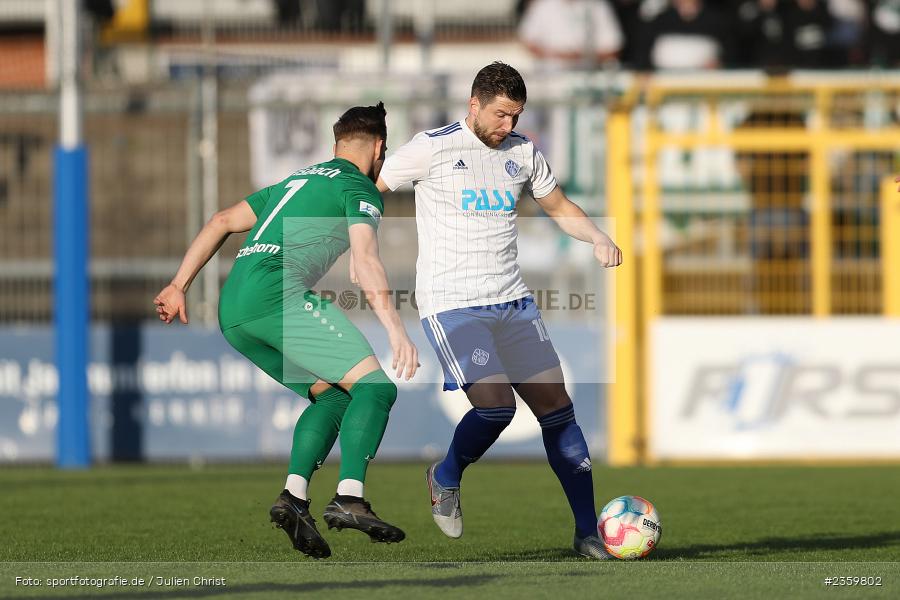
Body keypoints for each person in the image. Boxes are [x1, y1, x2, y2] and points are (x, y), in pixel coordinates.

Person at [375, 62, 622, 559]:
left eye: (515, 116)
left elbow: (558, 206)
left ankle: (585, 533)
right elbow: (369, 185)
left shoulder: (523, 153)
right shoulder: (434, 147)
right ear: (474, 104)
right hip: (453, 305)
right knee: (495, 407)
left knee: (558, 410)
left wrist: (597, 235)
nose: (508, 126)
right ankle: (444, 475)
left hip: (513, 302)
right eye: (501, 115)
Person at [153, 103, 418, 559]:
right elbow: (368, 260)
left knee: (335, 396)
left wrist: (179, 285)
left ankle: (294, 498)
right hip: (277, 297)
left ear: (336, 145)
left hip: (234, 310)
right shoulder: (359, 187)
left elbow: (221, 221)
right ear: (378, 148)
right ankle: (350, 496)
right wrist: (396, 329)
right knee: (376, 390)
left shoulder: (296, 181)